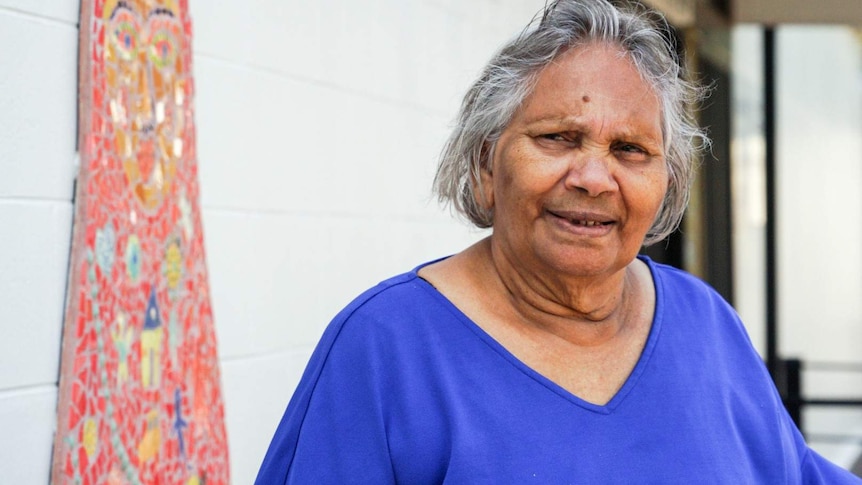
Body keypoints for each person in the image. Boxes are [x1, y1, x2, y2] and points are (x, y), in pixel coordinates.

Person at [256, 0, 862, 483]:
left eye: (630, 150)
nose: (594, 179)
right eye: (558, 138)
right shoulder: (386, 346)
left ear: (665, 185)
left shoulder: (704, 322)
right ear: (486, 164)